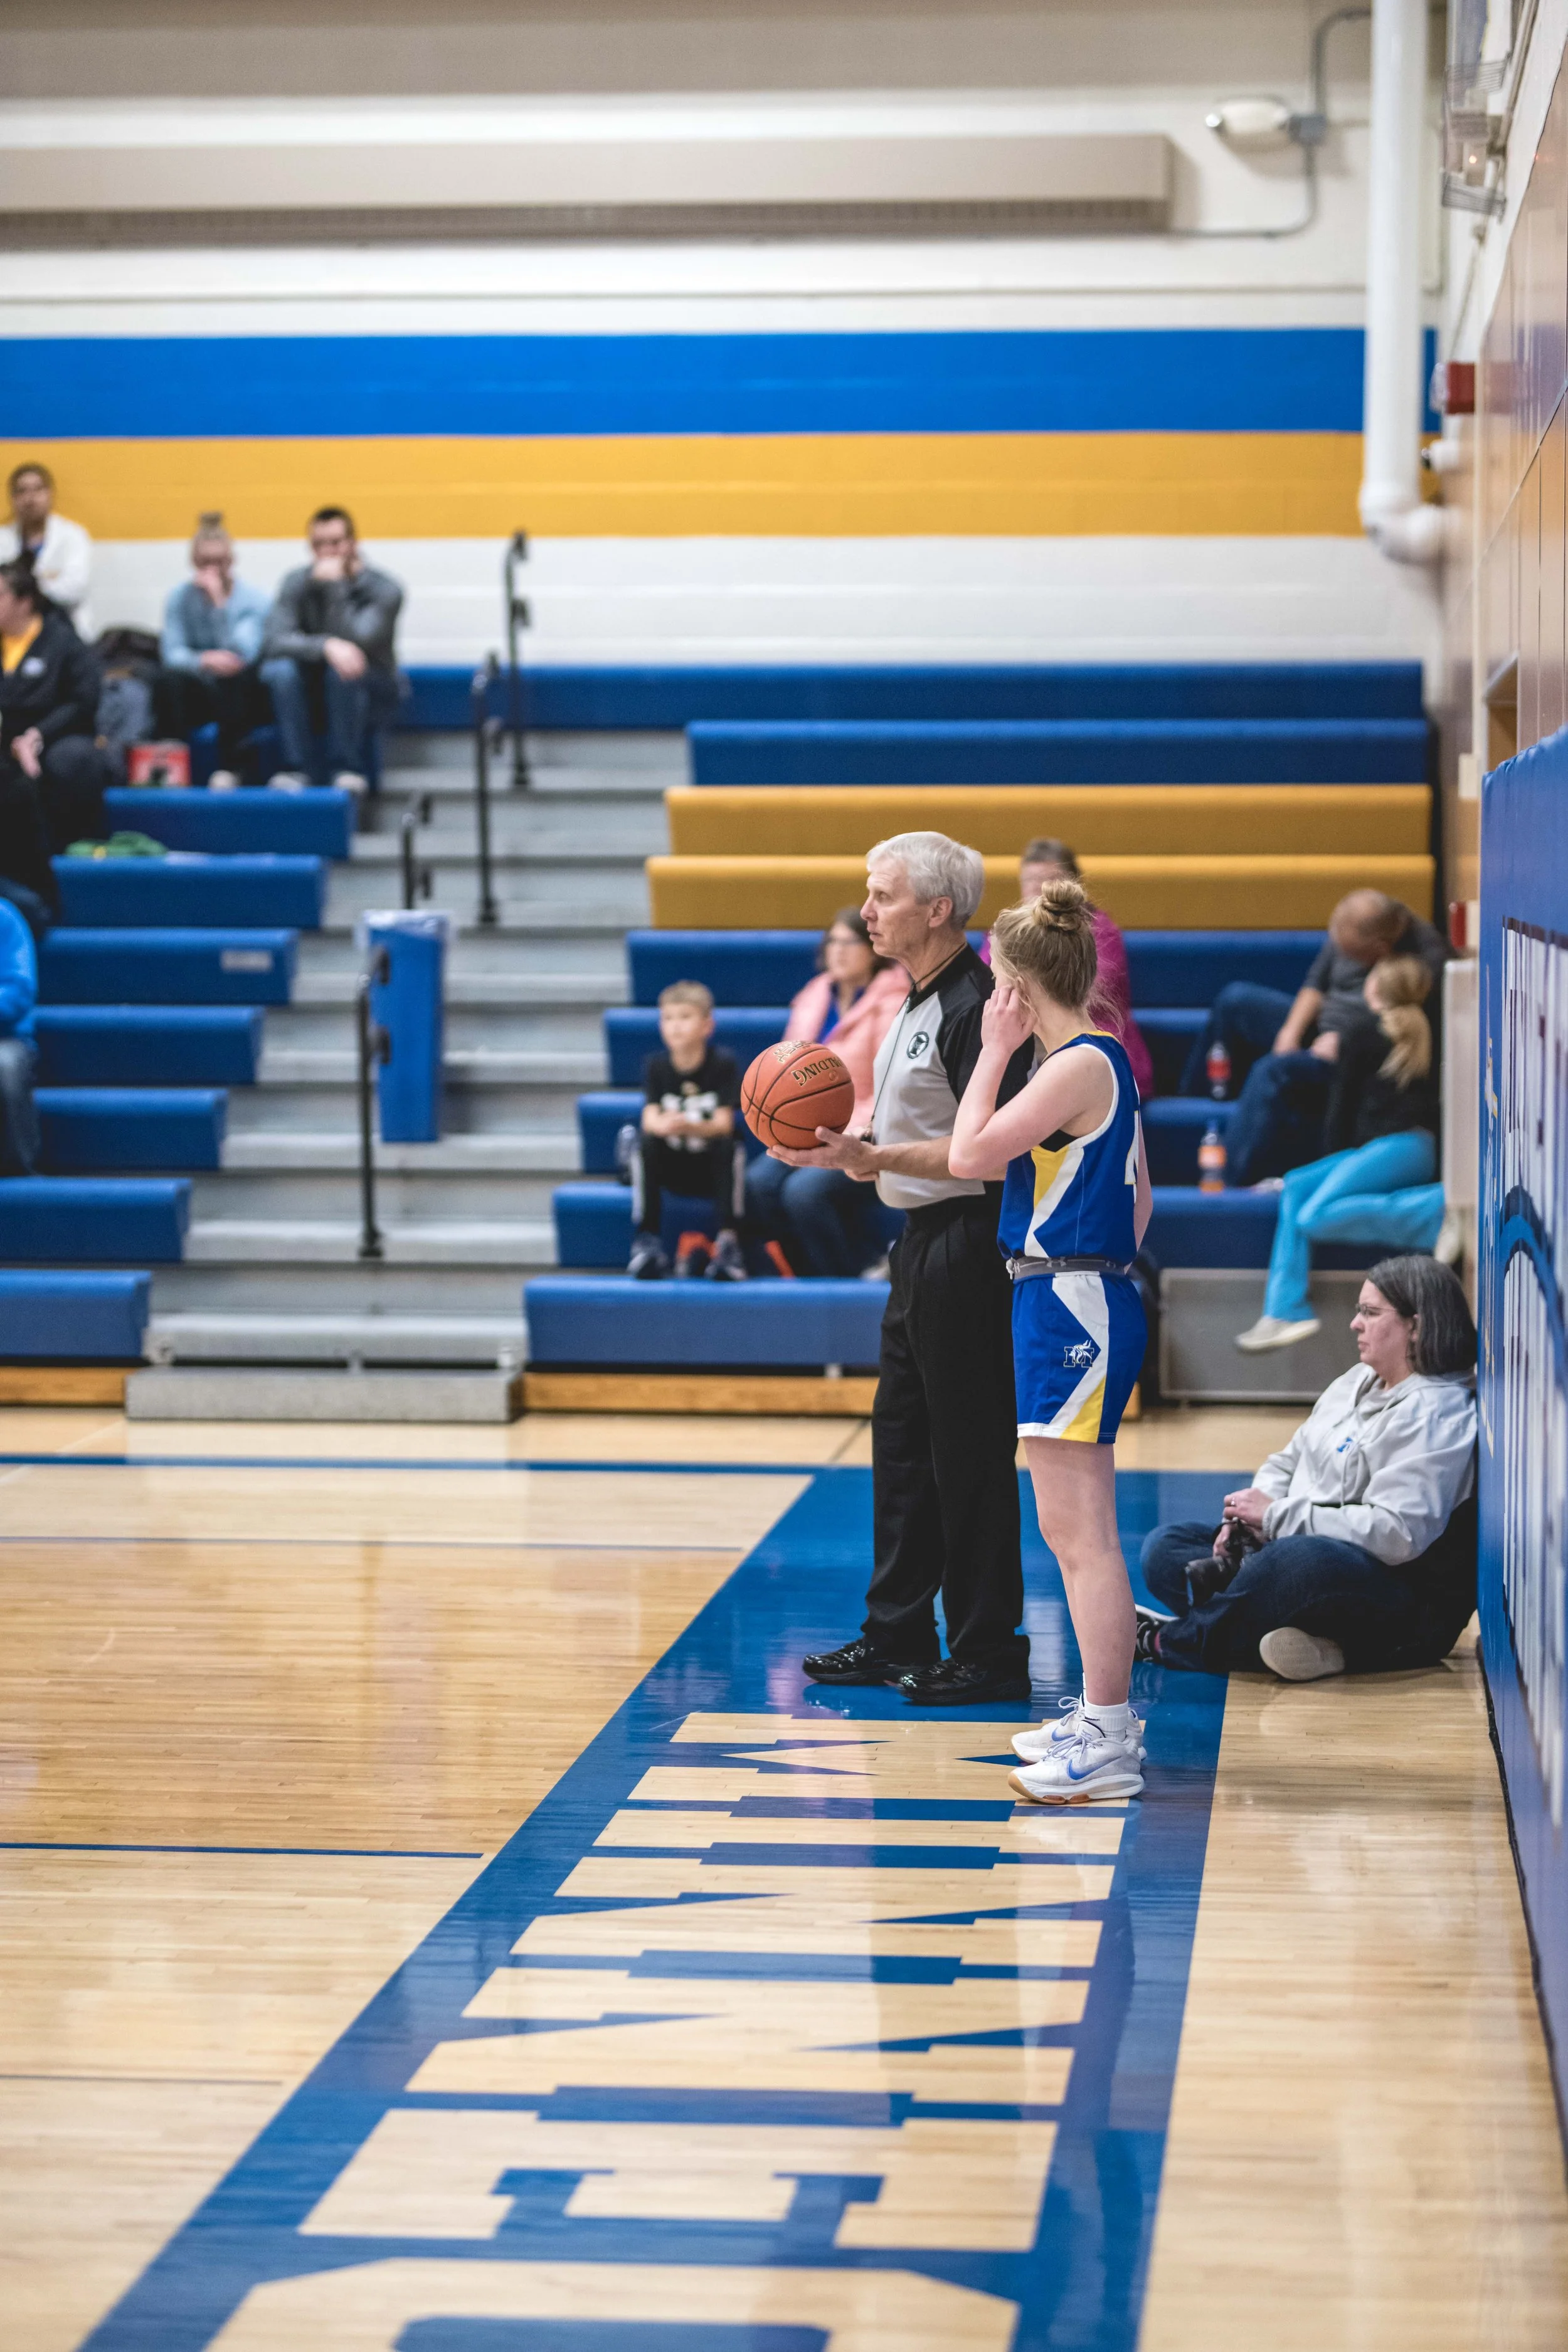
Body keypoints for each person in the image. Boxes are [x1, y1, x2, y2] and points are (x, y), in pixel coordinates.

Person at [775, 832, 1034, 1707]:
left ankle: (988, 1649)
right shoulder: (910, 1000)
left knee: (968, 1458)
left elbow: (997, 1157)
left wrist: (876, 1153)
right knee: (904, 1450)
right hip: (918, 1246)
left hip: (969, 1241)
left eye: (883, 895)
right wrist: (866, 1159)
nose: (867, 910)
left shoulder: (976, 1005)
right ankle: (897, 1633)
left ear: (938, 908)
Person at [949, 879, 1152, 1801]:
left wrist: (992, 1054)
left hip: (1072, 1300)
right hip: (1069, 1293)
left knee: (1082, 1534)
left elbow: (967, 1157)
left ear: (1019, 987)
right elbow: (1141, 1204)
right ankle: (1098, 1714)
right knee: (1069, 1528)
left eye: (999, 986)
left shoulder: (1072, 1063)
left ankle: (1109, 1737)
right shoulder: (1097, 1061)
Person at [1138, 1255, 1476, 1682]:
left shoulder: (1437, 1412)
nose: (1355, 1324)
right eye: (1359, 1311)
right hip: (1307, 1558)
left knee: (1295, 1563)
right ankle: (1325, 1648)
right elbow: (1289, 1458)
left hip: (1405, 1604)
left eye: (1370, 1314)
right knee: (1165, 1548)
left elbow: (1397, 1535)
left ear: (1417, 1325)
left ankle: (1167, 1641)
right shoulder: (1356, 1379)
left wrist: (1278, 1519)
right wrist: (1246, 1521)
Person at [1237, 955, 1444, 1352]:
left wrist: (1335, 1160)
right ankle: (1285, 1310)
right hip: (1403, 1148)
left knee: (1313, 1215)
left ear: (1376, 989)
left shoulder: (1361, 1030)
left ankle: (1432, 1213)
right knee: (1297, 1185)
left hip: (1406, 1147)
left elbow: (1340, 1109)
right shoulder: (1424, 1026)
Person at [1182, 889, 1448, 1185]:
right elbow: (1315, 984)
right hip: (1323, 1028)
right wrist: (1290, 1032)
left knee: (1271, 1070)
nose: (1342, 955)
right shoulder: (1352, 928)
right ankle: (1192, 1103)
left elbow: (1408, 1028)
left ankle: (1227, 1181)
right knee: (1236, 1001)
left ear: (1381, 949)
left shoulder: (1428, 960)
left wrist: (1347, 1042)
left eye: (1352, 955)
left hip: (1359, 1051)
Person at [744, 909, 906, 1275]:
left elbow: (891, 1086)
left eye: (850, 942)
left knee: (803, 1193)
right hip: (806, 1127)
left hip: (865, 1130)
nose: (840, 951)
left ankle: (846, 1277)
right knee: (758, 1184)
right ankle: (806, 1275)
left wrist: (848, 1131)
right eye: (833, 941)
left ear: (872, 949)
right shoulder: (814, 995)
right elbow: (782, 1067)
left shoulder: (895, 999)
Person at [981, 838, 1153, 1100]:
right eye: (1030, 879)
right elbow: (985, 981)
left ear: (1070, 884)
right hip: (1035, 1049)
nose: (1038, 888)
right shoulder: (1008, 932)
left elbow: (1080, 985)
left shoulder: (1095, 931)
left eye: (1049, 879)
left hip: (1087, 1047)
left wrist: (994, 1052)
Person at [261, 507, 402, 793]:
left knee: (344, 669)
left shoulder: (384, 589)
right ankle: (295, 769)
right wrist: (325, 646)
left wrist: (336, 589)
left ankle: (347, 768)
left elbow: (361, 640)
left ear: (353, 544)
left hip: (370, 683)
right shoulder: (296, 582)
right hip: (313, 681)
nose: (327, 552)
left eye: (335, 543)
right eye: (318, 544)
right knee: (279, 670)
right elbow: (274, 640)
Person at [0, 559, 109, 899]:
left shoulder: (61, 641)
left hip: (54, 737)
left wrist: (38, 736)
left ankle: (64, 847)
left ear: (24, 601)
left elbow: (84, 699)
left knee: (74, 760)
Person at [629, 981, 747, 1282]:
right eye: (668, 1018)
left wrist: (689, 1126)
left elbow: (724, 1123)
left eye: (684, 1017)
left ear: (707, 1026)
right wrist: (663, 1126)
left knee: (729, 1145)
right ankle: (647, 1243)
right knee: (645, 1143)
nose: (675, 1026)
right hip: (673, 1163)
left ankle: (728, 1244)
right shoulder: (656, 1066)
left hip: (708, 1165)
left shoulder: (722, 1063)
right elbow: (649, 1117)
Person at [158, 514, 270, 788]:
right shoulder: (179, 598)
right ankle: (172, 768)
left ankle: (232, 770)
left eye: (220, 562)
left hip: (242, 691)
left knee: (234, 678)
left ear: (232, 561)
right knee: (168, 680)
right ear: (194, 563)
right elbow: (171, 653)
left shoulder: (254, 601)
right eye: (205, 562)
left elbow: (243, 653)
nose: (213, 570)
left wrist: (219, 605)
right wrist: (204, 659)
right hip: (199, 687)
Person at [0, 464, 93, 638]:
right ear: (12, 498)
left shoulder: (72, 536)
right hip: (12, 635)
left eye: (38, 489)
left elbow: (75, 588)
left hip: (65, 633)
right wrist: (47, 580)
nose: (30, 498)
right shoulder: (3, 539)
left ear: (50, 494)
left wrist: (23, 589)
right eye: (22, 491)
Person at [0, 892, 40, 1175]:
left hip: (5, 1036)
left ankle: (17, 1170)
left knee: (4, 1065)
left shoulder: (5, 918)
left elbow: (18, 992)